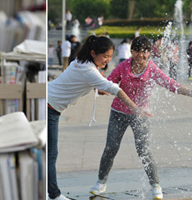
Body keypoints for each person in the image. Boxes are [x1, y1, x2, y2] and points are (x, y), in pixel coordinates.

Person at [48, 35, 152, 200]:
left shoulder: (81, 62)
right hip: (49, 109)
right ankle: (53, 194)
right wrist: (135, 108)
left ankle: (50, 192)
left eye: (110, 57)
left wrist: (101, 88)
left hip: (49, 104)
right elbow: (114, 89)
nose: (108, 60)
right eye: (105, 56)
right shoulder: (88, 70)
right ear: (93, 53)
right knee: (51, 154)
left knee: (48, 153)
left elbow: (96, 84)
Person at [90, 36, 192, 199]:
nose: (141, 55)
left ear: (150, 53)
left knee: (144, 150)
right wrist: (103, 89)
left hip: (141, 115)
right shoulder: (123, 67)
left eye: (145, 52)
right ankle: (101, 182)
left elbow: (170, 83)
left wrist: (189, 92)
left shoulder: (152, 69)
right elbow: (109, 82)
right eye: (137, 51)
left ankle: (155, 185)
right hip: (119, 112)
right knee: (110, 148)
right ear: (132, 52)